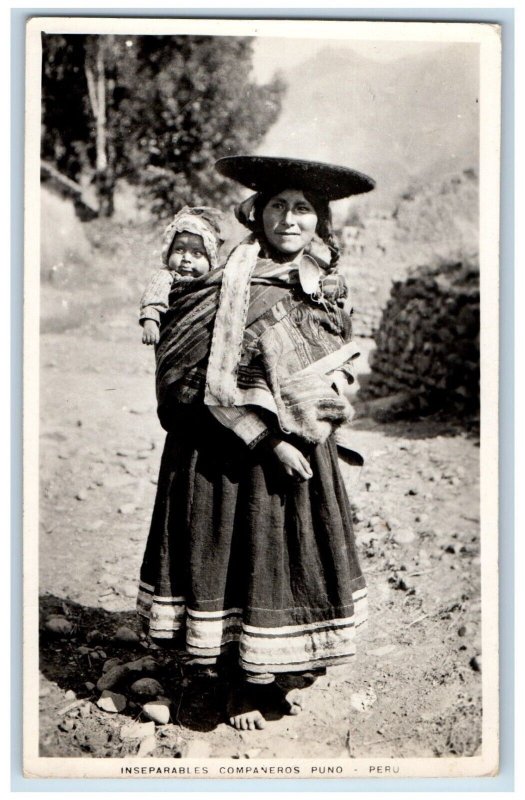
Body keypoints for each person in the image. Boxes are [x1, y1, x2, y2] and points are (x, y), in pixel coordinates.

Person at [137, 155, 375, 731]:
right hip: (225, 447)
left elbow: (338, 358)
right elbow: (186, 369)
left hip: (302, 441)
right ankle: (233, 685)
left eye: (303, 209)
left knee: (283, 555)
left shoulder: (326, 284)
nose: (289, 219)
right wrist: (268, 441)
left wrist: (331, 393)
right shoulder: (227, 278)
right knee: (230, 552)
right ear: (256, 213)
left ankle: (273, 668)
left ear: (319, 220)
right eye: (277, 206)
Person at [140, 205, 223, 345]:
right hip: (173, 342)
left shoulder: (214, 281)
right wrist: (150, 322)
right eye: (179, 250)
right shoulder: (166, 276)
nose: (186, 258)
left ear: (210, 260)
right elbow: (153, 298)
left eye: (197, 253)